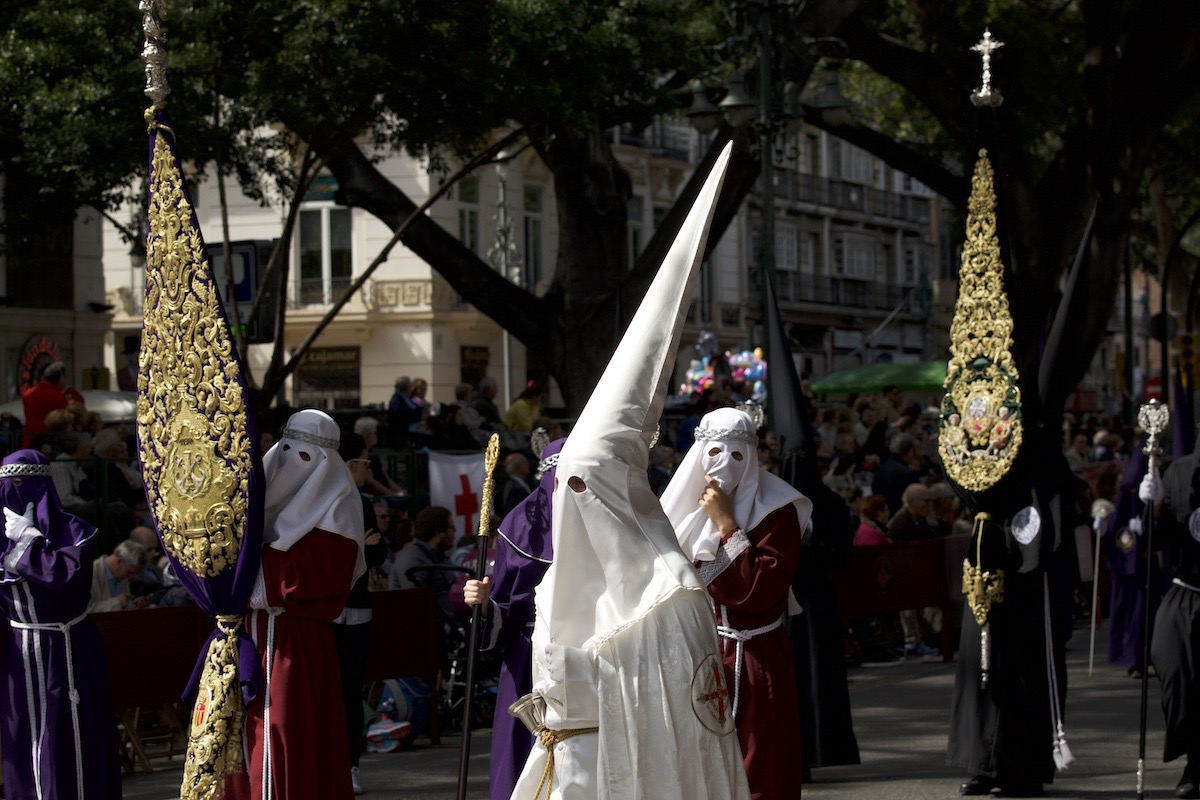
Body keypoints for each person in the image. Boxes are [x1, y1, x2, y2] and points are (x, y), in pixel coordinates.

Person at [511, 143, 748, 799]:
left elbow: (691, 731)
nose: (572, 503)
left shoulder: (670, 598)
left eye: (585, 488)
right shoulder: (556, 579)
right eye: (567, 488)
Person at [661, 407, 812, 799]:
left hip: (757, 658)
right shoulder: (677, 513)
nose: (725, 465)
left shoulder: (777, 510)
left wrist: (726, 525)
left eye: (738, 455)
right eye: (714, 453)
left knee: (761, 768)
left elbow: (758, 589)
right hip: (695, 656)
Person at [223, 409, 365, 800]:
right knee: (239, 738)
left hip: (296, 646)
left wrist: (237, 570)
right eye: (285, 451)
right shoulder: (254, 504)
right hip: (245, 640)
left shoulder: (339, 510)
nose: (290, 463)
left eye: (303, 455)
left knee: (287, 732)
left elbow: (307, 577)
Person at [0, 449, 122, 798]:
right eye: (7, 486)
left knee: (68, 739)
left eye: (22, 485)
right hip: (20, 657)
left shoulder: (72, 533)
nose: (12, 494)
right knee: (27, 741)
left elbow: (65, 580)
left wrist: (29, 541)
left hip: (69, 651)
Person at [463, 437, 564, 800]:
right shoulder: (519, 525)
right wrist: (485, 604)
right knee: (522, 767)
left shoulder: (608, 523)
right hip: (529, 665)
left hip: (593, 662)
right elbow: (503, 612)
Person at [1139, 442, 1200, 798]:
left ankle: (1195, 766)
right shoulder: (1180, 470)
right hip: (1186, 589)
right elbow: (1157, 540)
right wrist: (1154, 505)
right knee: (1173, 667)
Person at [334, 433, 389, 796]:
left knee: (351, 693)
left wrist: (359, 552)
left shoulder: (363, 503)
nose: (368, 471)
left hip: (357, 609)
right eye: (366, 463)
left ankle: (351, 765)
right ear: (351, 463)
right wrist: (357, 551)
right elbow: (338, 558)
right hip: (325, 611)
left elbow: (376, 553)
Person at [87, 538, 149, 612]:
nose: (130, 577)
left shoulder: (121, 575)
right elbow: (85, 611)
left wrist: (134, 606)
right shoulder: (90, 574)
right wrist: (117, 602)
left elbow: (122, 608)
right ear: (120, 561)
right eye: (129, 572)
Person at [22, 361, 70, 448]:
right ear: (60, 378)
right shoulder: (58, 397)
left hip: (28, 440)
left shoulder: (27, 394)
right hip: (50, 443)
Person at [498, 451, 533, 517]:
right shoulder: (513, 487)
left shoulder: (523, 485)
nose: (528, 465)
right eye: (525, 462)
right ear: (518, 466)